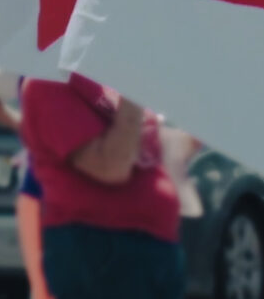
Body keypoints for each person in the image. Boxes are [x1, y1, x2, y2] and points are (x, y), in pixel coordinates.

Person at [20, 73, 185, 299]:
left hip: (144, 245)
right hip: (101, 245)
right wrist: (134, 86)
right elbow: (110, 167)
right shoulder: (49, 82)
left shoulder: (101, 83)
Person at [0, 71, 53, 299]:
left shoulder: (33, 65)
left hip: (38, 188)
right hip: (44, 190)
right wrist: (22, 125)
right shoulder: (34, 67)